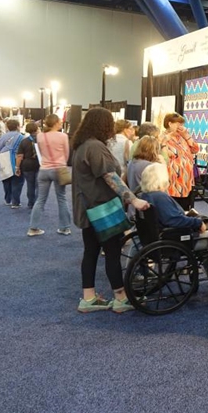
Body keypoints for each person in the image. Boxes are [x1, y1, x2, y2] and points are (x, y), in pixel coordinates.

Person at [71, 108, 149, 313]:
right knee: (113, 253)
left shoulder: (81, 146)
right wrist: (133, 199)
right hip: (101, 208)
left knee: (91, 253)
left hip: (87, 208)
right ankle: (121, 298)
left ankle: (88, 298)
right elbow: (110, 177)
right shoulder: (95, 147)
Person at [138, 163, 208, 276]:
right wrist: (197, 222)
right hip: (175, 239)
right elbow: (174, 221)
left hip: (157, 238)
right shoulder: (160, 197)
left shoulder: (145, 196)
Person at [28, 114, 72, 237]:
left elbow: (41, 152)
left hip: (44, 170)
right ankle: (65, 227)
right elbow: (66, 154)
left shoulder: (40, 136)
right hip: (59, 169)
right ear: (56, 123)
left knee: (40, 200)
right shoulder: (63, 136)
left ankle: (33, 228)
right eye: (59, 121)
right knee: (62, 198)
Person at [160, 113, 200, 211]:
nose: (181, 127)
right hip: (173, 181)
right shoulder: (162, 138)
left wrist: (187, 136)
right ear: (170, 124)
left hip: (186, 181)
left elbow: (195, 149)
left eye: (182, 124)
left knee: (186, 208)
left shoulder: (182, 138)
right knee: (175, 208)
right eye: (178, 124)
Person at [0, 119, 26, 209]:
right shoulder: (21, 137)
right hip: (15, 159)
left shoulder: (3, 136)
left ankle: (7, 199)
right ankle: (15, 201)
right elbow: (22, 150)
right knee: (17, 180)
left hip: (3, 158)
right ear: (17, 126)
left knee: (6, 179)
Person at [16, 122, 40, 209]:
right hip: (39, 164)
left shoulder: (24, 141)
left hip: (27, 165)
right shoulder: (41, 140)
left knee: (30, 185)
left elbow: (20, 156)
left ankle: (30, 203)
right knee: (39, 185)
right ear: (37, 129)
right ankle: (38, 204)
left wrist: (17, 167)